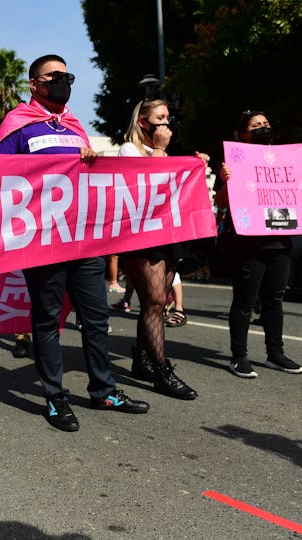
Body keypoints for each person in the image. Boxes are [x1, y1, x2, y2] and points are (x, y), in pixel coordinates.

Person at [0, 54, 149, 432]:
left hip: (83, 239)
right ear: (34, 84)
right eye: (54, 76)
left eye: (68, 76)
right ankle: (55, 397)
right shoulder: (18, 126)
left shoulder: (75, 127)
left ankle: (104, 390)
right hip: (43, 242)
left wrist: (90, 160)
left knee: (96, 318)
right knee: (46, 322)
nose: (63, 82)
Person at [215, 110, 302, 378]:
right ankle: (239, 357)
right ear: (243, 134)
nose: (263, 128)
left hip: (280, 241)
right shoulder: (234, 161)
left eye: (266, 123)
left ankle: (275, 354)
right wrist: (226, 182)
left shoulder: (288, 160)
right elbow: (220, 202)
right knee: (244, 301)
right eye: (256, 125)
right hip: (247, 243)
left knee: (275, 300)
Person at [117, 99, 201, 400]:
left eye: (168, 118)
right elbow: (147, 187)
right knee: (153, 301)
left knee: (157, 302)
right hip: (141, 238)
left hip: (167, 234)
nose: (166, 124)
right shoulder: (129, 150)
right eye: (160, 118)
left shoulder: (159, 152)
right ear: (143, 122)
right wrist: (161, 149)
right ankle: (163, 372)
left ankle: (141, 361)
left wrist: (193, 166)